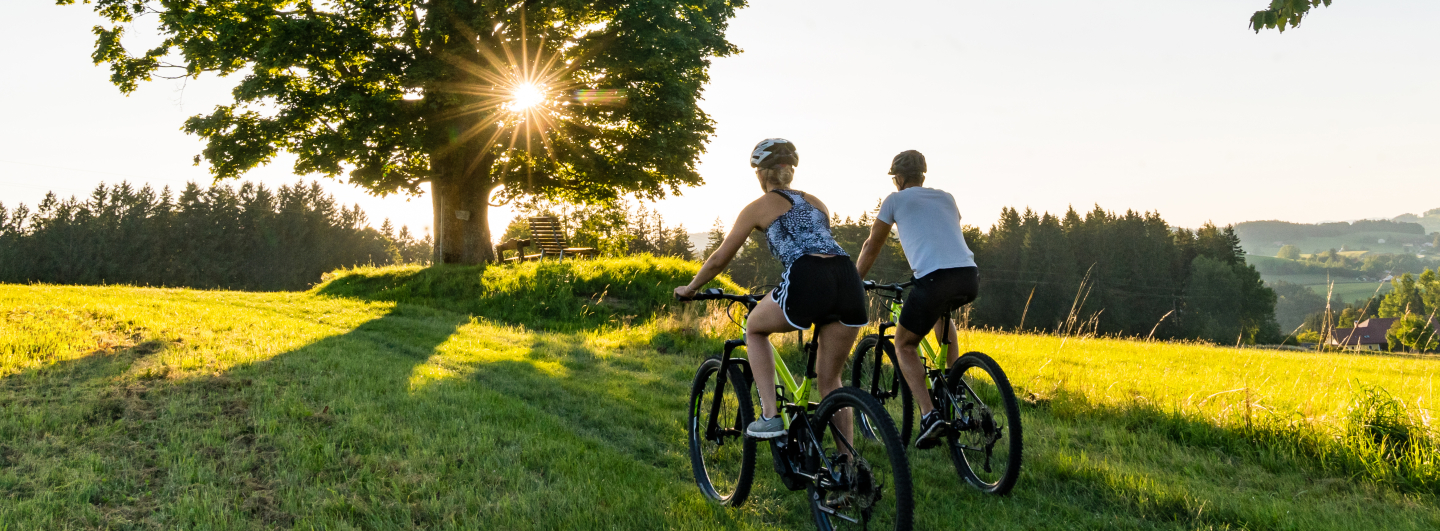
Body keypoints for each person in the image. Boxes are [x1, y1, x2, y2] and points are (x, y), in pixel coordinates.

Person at [675, 138, 868, 444]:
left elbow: (718, 259)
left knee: (754, 328)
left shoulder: (758, 207)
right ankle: (846, 468)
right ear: (790, 171)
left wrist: (690, 288)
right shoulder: (818, 203)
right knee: (831, 381)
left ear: (761, 174)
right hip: (848, 277)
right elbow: (823, 246)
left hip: (808, 275)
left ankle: (769, 416)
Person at [854, 150, 979, 450]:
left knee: (904, 344)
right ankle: (954, 382)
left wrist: (854, 280)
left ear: (897, 177)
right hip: (968, 275)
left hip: (934, 279)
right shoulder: (947, 197)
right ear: (923, 174)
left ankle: (929, 415)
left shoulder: (894, 200)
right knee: (940, 313)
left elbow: (872, 244)